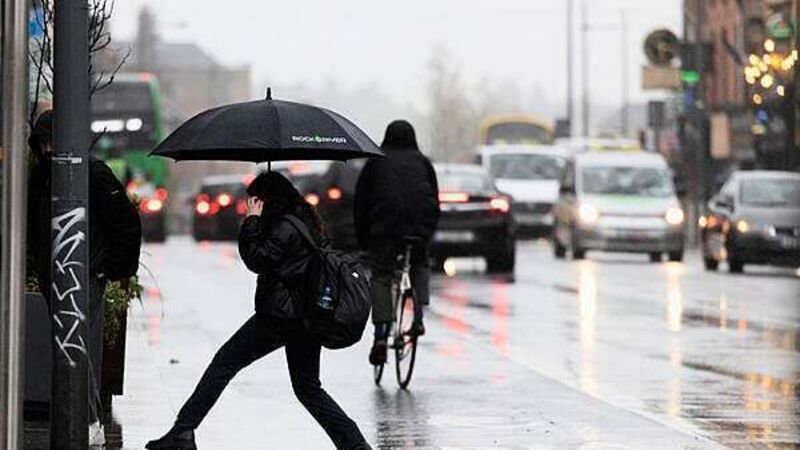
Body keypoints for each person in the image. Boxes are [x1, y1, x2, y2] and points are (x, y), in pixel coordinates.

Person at [146, 171, 371, 450]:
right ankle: (354, 443)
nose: (248, 205)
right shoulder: (304, 218)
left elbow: (257, 259)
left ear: (264, 199)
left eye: (252, 200)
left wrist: (251, 222)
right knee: (307, 387)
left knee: (224, 364)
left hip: (280, 316)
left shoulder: (283, 226)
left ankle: (183, 431)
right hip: (304, 317)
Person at [27, 109, 142, 446]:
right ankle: (86, 417)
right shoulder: (42, 176)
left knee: (74, 346)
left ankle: (90, 418)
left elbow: (126, 224)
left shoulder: (93, 173)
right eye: (43, 143)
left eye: (52, 142)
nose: (48, 150)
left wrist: (109, 268)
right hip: (57, 272)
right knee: (70, 345)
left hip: (86, 273)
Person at [354, 120, 439, 365]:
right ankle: (419, 316)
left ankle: (381, 335)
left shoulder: (376, 162)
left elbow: (361, 204)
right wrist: (427, 235)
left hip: (384, 230)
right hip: (419, 228)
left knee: (381, 276)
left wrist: (364, 242)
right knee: (420, 264)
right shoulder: (423, 163)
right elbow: (434, 199)